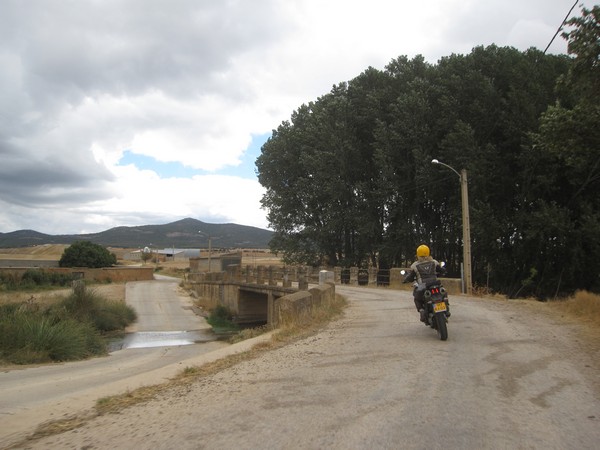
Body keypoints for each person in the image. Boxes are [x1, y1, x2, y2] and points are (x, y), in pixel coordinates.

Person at [403, 244, 448, 322]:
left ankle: (422, 312)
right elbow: (442, 270)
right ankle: (446, 308)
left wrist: (405, 279)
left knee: (416, 298)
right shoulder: (434, 262)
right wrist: (443, 270)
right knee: (443, 292)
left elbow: (410, 277)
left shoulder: (415, 265)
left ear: (417, 254)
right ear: (428, 252)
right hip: (435, 283)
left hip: (423, 286)